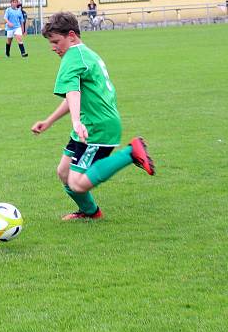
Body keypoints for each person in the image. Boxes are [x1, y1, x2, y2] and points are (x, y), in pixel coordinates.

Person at [30, 12, 155, 220]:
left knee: (76, 183)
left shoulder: (72, 56)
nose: (53, 47)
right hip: (91, 122)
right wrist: (49, 121)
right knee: (63, 172)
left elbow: (73, 91)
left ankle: (131, 153)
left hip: (97, 127)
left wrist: (77, 121)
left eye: (56, 42)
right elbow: (75, 96)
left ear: (71, 35)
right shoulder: (85, 54)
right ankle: (90, 212)